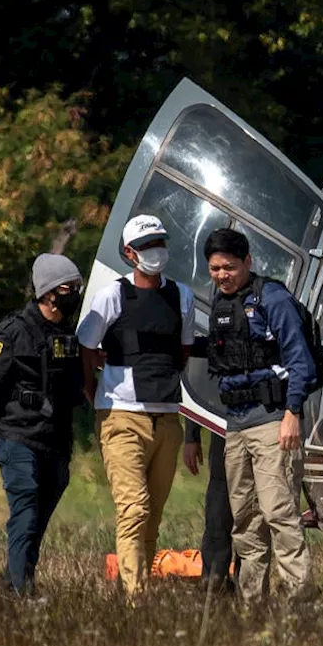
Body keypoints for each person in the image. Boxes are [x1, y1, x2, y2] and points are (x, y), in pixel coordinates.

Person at [0, 253, 86, 597]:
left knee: (38, 516)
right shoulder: (12, 333)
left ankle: (16, 579)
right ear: (49, 293)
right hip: (17, 437)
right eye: (70, 288)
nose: (75, 295)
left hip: (55, 441)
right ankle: (21, 590)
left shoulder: (68, 335)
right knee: (25, 506)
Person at [77, 214, 194, 600]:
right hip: (122, 416)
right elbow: (86, 346)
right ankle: (135, 596)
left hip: (167, 417)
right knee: (134, 509)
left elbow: (185, 350)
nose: (155, 252)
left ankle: (141, 587)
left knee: (152, 516)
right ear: (129, 254)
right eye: (145, 247)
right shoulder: (111, 296)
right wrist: (93, 390)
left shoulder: (182, 296)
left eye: (159, 242)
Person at [203, 228, 316, 606]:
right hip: (234, 425)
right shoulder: (219, 303)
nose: (222, 275)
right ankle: (252, 603)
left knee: (280, 513)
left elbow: (300, 361)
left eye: (230, 267)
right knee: (246, 521)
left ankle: (297, 601)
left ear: (248, 263)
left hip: (272, 421)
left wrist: (292, 414)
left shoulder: (273, 298)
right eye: (216, 268)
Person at [183, 419, 241, 593]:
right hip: (222, 430)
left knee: (251, 524)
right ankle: (213, 590)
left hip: (260, 424)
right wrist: (192, 437)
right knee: (218, 515)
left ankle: (248, 595)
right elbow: (202, 393)